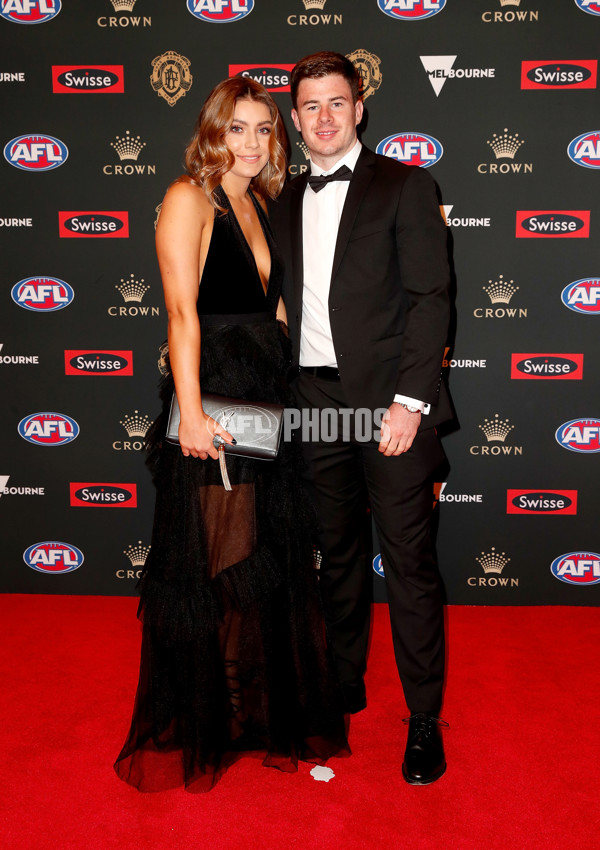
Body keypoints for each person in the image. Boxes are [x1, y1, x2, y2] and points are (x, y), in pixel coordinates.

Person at [114, 76, 349, 793]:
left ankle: (249, 706)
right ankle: (205, 713)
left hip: (268, 399)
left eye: (263, 130)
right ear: (213, 132)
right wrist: (191, 414)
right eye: (238, 129)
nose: (252, 143)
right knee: (214, 557)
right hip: (213, 396)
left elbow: (276, 312)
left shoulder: (262, 200)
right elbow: (181, 313)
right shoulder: (190, 197)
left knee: (261, 551)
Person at [269, 52, 453, 786]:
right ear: (295, 117)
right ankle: (343, 683)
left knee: (408, 564)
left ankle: (425, 721)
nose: (323, 117)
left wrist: (410, 403)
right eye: (310, 106)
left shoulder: (406, 186)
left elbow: (432, 299)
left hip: (390, 407)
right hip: (314, 405)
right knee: (336, 556)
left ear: (360, 108)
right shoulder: (279, 198)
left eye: (336, 103)